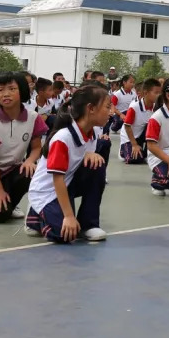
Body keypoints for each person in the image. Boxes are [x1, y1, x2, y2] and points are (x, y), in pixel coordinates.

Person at [24, 84, 109, 241]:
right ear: (91, 108)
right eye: (107, 107)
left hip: (67, 184)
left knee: (97, 166)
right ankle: (35, 216)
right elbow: (57, 179)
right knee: (63, 234)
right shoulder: (63, 138)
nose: (110, 112)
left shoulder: (92, 135)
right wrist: (69, 216)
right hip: (47, 192)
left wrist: (89, 154)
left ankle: (89, 224)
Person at [0, 72, 48, 222]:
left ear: (22, 91)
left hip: (14, 170)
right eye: (0, 90)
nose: (5, 94)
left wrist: (30, 160)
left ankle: (11, 203)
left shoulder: (33, 117)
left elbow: (36, 148)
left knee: (32, 171)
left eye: (12, 89)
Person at [120, 78, 161, 164]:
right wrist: (134, 145)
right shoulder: (134, 107)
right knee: (135, 159)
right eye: (156, 93)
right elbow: (127, 126)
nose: (158, 95)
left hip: (141, 135)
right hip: (129, 137)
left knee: (152, 125)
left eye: (159, 93)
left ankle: (146, 152)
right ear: (146, 93)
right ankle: (123, 151)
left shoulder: (156, 107)